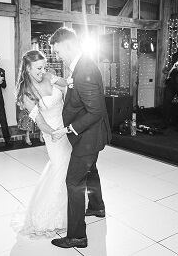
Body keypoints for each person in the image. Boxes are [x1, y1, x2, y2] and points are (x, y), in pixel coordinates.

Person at [49, 27, 112, 249]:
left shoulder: (83, 68)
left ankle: (77, 236)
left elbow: (94, 112)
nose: (58, 57)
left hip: (88, 136)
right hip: (91, 136)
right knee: (90, 170)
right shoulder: (81, 65)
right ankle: (97, 206)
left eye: (58, 52)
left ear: (68, 46)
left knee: (73, 181)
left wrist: (69, 129)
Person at [11, 50, 72, 238]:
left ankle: (72, 208)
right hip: (52, 133)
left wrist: (68, 82)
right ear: (28, 68)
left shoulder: (47, 76)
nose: (42, 71)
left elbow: (68, 84)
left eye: (44, 67)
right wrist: (53, 132)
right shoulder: (26, 93)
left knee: (69, 168)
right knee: (60, 167)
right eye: (38, 68)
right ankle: (54, 216)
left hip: (67, 127)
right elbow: (40, 122)